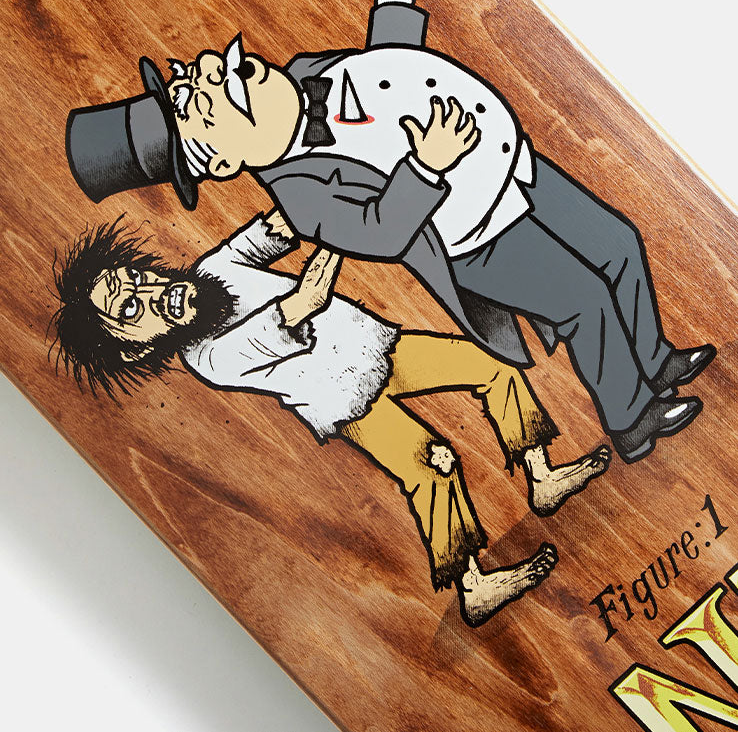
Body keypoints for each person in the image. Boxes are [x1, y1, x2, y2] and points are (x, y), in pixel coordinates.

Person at [65, 0, 714, 463]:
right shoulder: (303, 196)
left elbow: (390, 77)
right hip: (477, 230)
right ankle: (632, 416)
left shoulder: (306, 72)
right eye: (197, 102)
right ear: (221, 159)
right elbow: (382, 230)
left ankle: (655, 359)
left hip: (512, 165)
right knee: (583, 299)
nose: (209, 67)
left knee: (618, 242)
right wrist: (426, 165)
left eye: (191, 78)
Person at [50, 211, 612, 626]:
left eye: (135, 278)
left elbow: (279, 226)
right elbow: (304, 303)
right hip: (348, 399)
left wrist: (318, 200)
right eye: (130, 309)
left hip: (379, 345)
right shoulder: (211, 358)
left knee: (491, 365)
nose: (149, 292)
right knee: (433, 466)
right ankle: (474, 587)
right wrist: (352, 227)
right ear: (137, 348)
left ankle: (541, 476)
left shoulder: (213, 271)